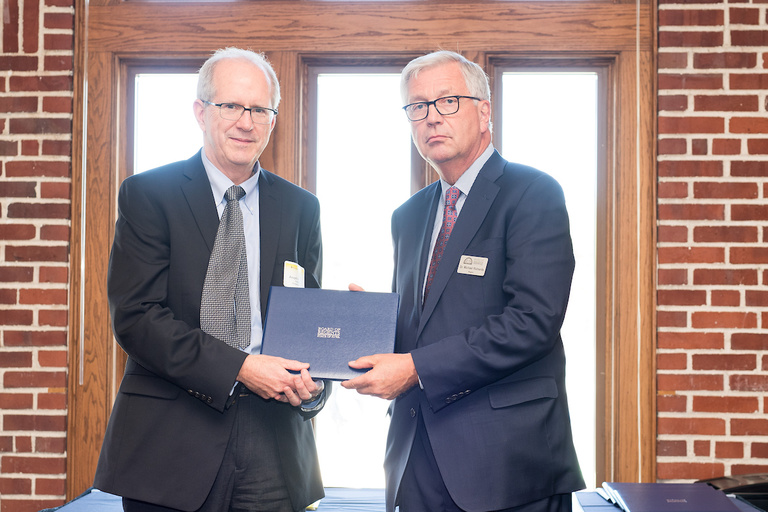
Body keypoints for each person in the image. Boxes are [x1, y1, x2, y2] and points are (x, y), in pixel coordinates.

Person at [342, 50, 585, 512]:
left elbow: (532, 321)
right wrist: (369, 324)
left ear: (484, 110)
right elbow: (428, 328)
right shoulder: (408, 217)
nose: (432, 117)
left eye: (448, 101)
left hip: (508, 466)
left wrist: (414, 367)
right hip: (416, 461)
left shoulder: (533, 193)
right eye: (418, 106)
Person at [94, 47, 328, 512]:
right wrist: (240, 367)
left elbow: (308, 318)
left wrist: (317, 379)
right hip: (169, 440)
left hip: (275, 443)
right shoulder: (148, 195)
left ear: (272, 120)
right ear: (201, 112)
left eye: (259, 109)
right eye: (231, 106)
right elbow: (137, 319)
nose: (246, 121)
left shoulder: (302, 209)